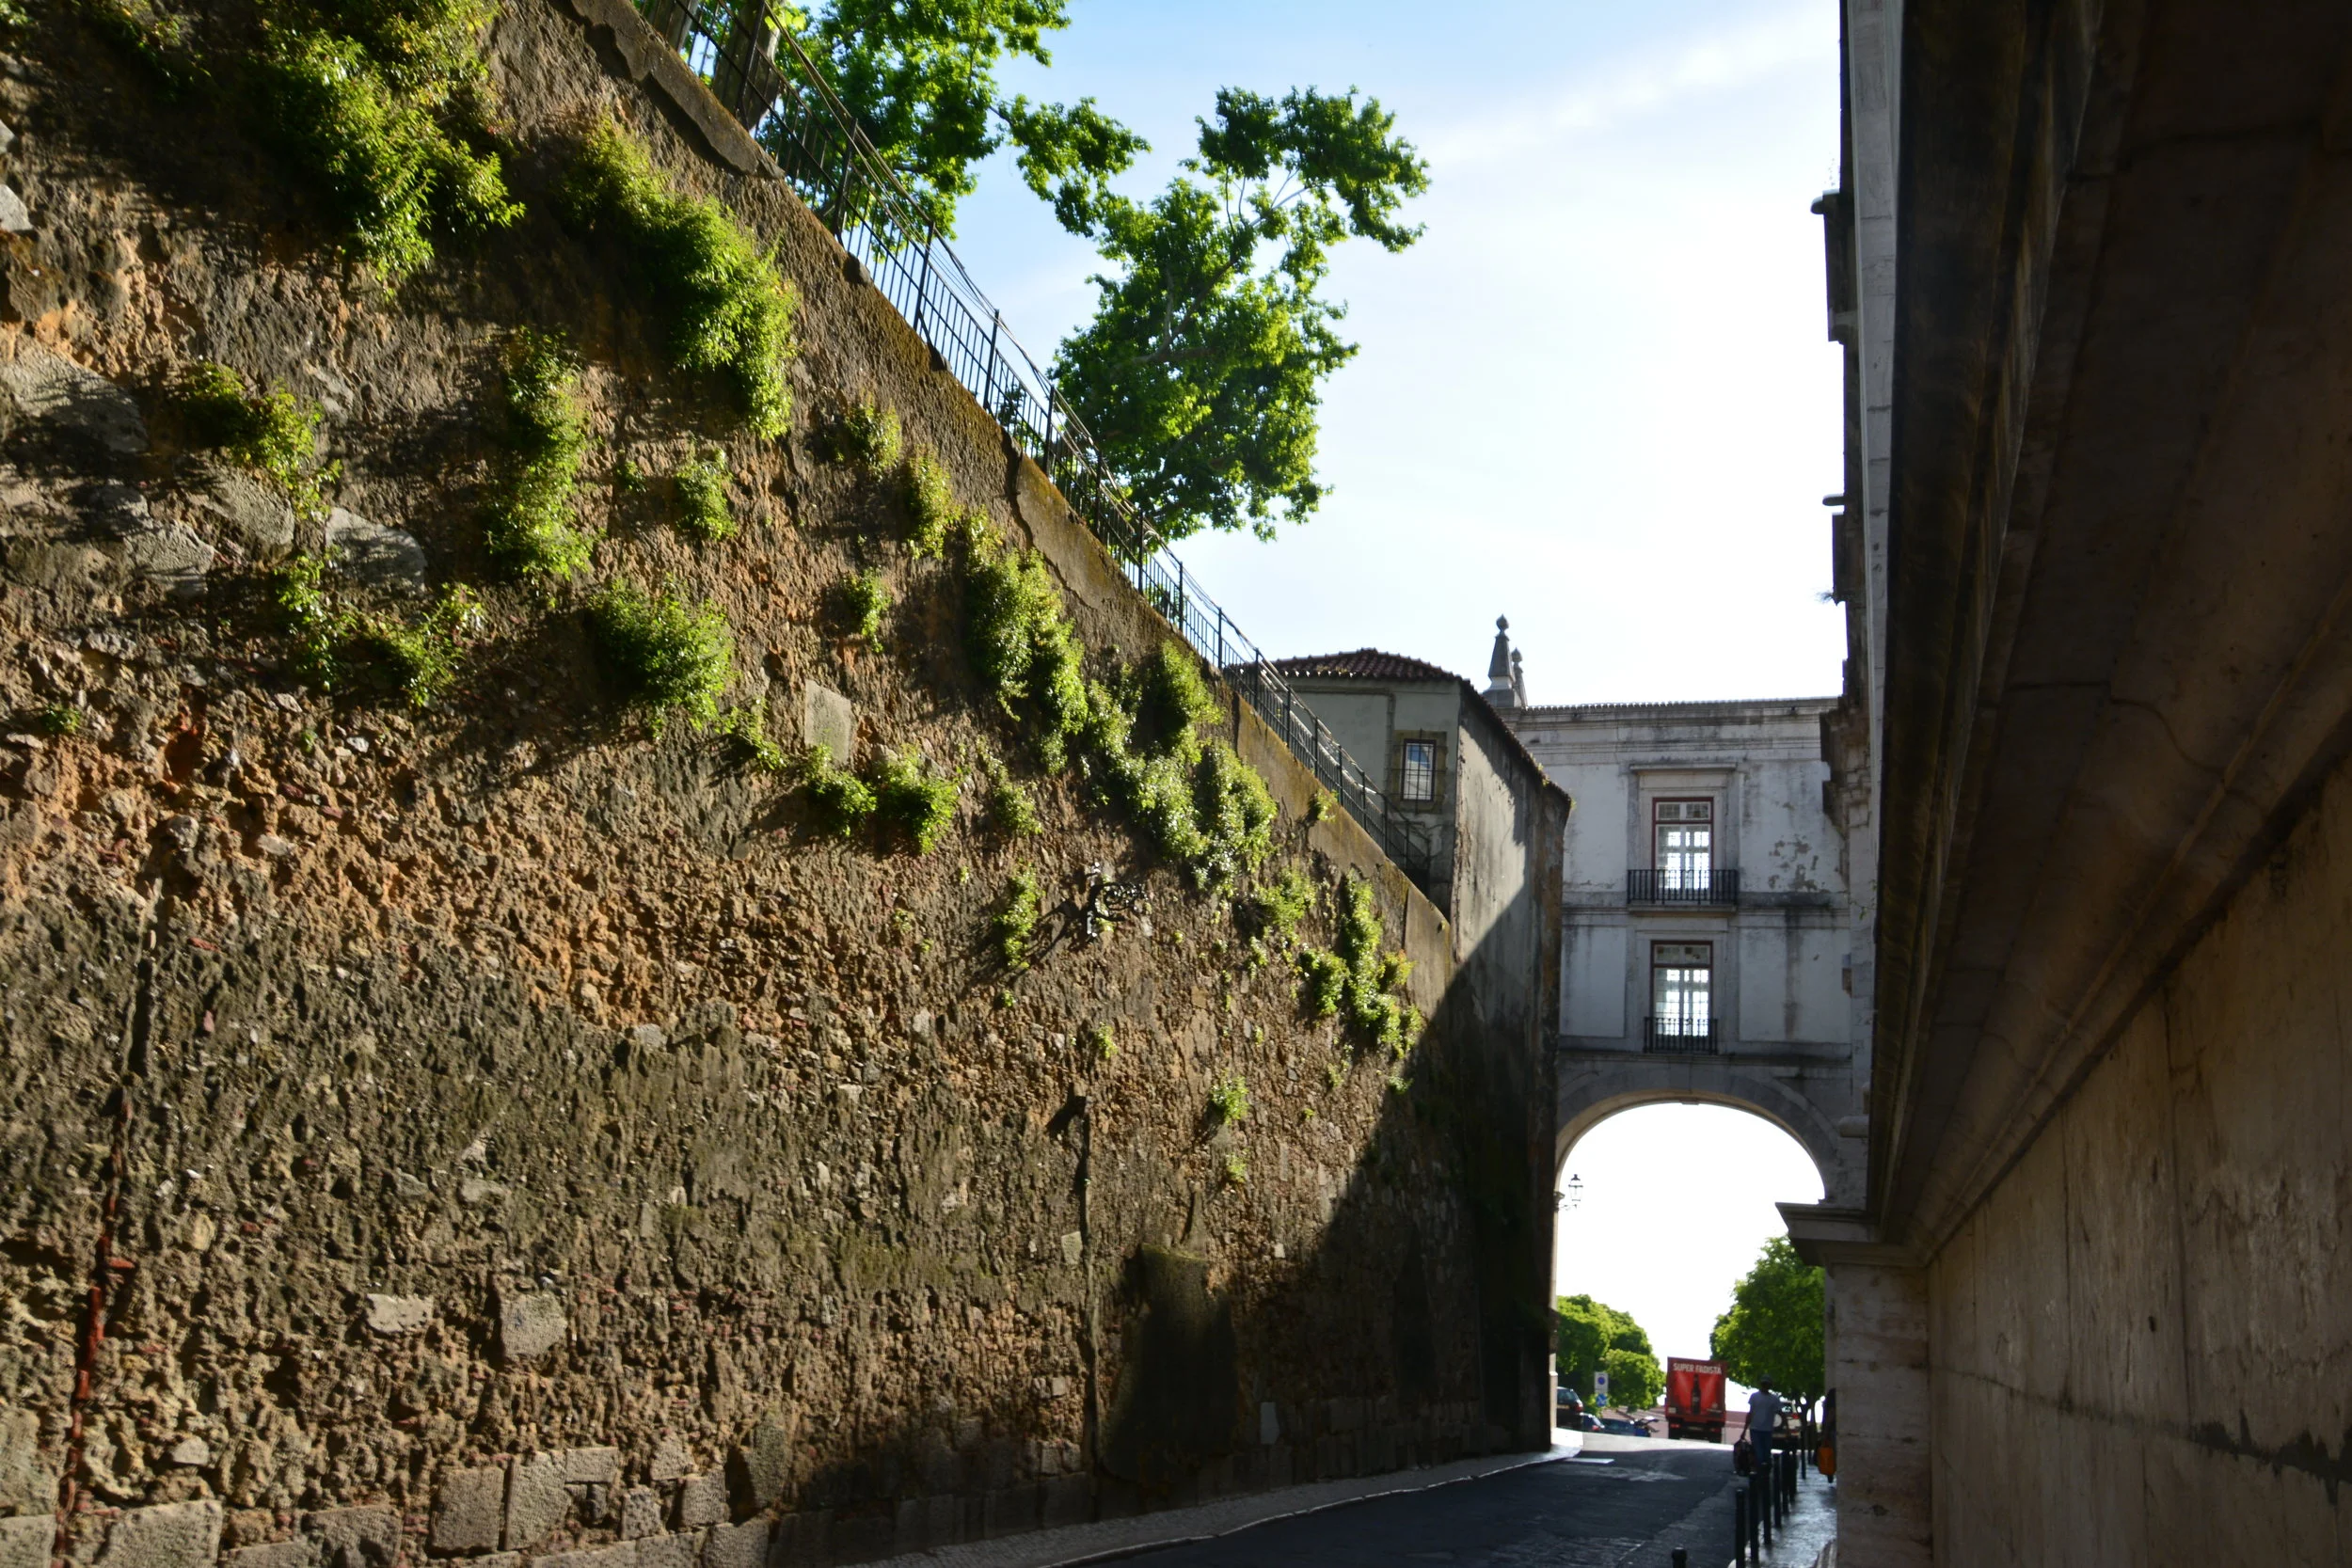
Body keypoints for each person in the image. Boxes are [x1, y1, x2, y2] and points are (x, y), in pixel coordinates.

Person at [1747, 1379, 1784, 1475]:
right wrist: (1744, 1429)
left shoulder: (1774, 1399)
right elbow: (1750, 1413)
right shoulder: (1755, 1396)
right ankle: (1760, 1472)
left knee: (1766, 1453)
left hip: (1766, 1430)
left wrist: (1786, 1428)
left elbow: (1781, 1413)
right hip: (1756, 1429)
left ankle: (1764, 1472)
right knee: (1759, 1451)